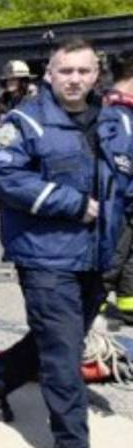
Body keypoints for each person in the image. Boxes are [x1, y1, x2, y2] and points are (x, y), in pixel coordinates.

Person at [0, 37, 133, 448]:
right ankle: (71, 444)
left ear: (96, 74)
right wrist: (72, 203)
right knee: (63, 350)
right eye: (66, 71)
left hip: (99, 254)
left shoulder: (118, 121)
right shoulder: (23, 121)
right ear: (50, 73)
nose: (75, 79)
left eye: (83, 71)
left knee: (60, 336)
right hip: (46, 254)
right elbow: (3, 175)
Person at [104, 51, 133, 322]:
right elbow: (119, 162)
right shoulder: (117, 113)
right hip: (119, 201)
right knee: (114, 255)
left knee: (127, 258)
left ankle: (128, 304)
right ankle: (96, 306)